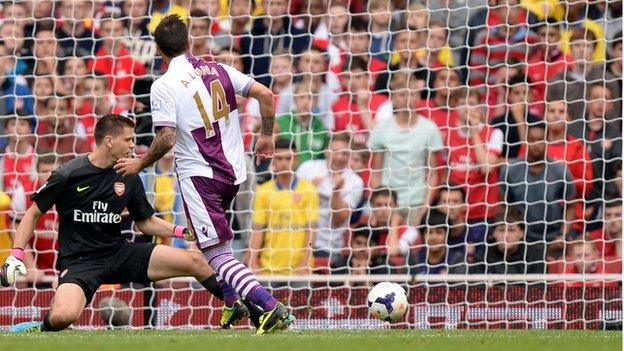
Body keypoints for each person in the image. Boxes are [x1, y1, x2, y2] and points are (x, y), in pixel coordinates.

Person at [113, 15, 293, 334]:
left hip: (201, 177)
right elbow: (266, 95)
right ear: (190, 42)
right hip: (234, 173)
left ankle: (270, 307)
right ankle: (231, 303)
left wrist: (139, 164)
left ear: (158, 49)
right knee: (210, 245)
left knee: (215, 254)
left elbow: (167, 138)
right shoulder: (220, 69)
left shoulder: (163, 85)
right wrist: (266, 135)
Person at [1, 115, 243, 333]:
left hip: (119, 252)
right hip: (80, 261)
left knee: (197, 261)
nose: (131, 145)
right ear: (109, 141)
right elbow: (32, 214)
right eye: (128, 140)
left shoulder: (128, 174)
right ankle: (41, 327)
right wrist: (16, 255)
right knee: (62, 317)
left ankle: (249, 310)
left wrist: (183, 231)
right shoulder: (68, 174)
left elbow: (145, 222)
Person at [368, 72, 443, 226]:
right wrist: (375, 204)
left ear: (417, 97)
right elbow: (376, 171)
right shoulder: (382, 128)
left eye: (411, 94)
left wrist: (425, 206)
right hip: (387, 203)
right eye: (401, 94)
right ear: (393, 98)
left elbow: (432, 173)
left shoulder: (429, 128)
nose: (406, 99)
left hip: (416, 201)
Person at [247, 139, 319, 276]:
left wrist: (305, 262)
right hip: (269, 268)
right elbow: (258, 229)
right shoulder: (263, 191)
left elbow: (311, 230)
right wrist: (253, 261)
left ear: (296, 160)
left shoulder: (309, 190)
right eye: (280, 158)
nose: (285, 162)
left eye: (289, 158)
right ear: (273, 162)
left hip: (299, 269)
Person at [296, 134, 364, 264]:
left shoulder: (356, 182)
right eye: (335, 152)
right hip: (298, 241)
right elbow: (289, 202)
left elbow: (338, 220)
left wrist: (336, 192)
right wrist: (309, 190)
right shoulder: (307, 168)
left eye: (344, 153)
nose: (339, 157)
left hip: (328, 248)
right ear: (326, 151)